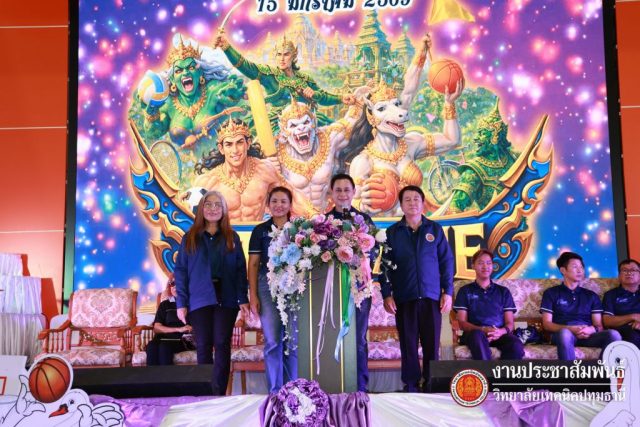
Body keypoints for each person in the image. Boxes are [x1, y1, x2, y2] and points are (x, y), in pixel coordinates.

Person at [174, 191, 250, 395]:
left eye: (218, 205)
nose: (213, 208)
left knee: (222, 343)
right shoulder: (190, 237)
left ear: (224, 210)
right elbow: (181, 270)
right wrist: (181, 303)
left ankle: (219, 393)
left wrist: (243, 298)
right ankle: (205, 393)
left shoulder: (231, 237)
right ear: (201, 208)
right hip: (199, 298)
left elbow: (240, 269)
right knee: (203, 345)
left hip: (227, 298)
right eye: (208, 204)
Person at [380, 185, 454, 392]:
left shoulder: (435, 230)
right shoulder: (392, 233)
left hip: (431, 297)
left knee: (432, 344)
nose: (412, 203)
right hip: (405, 297)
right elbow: (384, 267)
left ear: (423, 203)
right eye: (407, 199)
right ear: (401, 205)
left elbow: (447, 262)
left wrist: (448, 292)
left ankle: (432, 384)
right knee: (408, 344)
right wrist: (386, 295)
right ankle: (411, 385)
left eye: (416, 199)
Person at [213, 31, 354, 130]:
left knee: (337, 132)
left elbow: (323, 97)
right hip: (279, 122)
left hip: (308, 120)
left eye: (286, 54)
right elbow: (245, 66)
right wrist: (226, 47)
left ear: (294, 55)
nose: (281, 58)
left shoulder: (304, 78)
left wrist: (340, 98)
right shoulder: (270, 75)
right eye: (279, 54)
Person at [326, 173, 375, 392]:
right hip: (331, 289)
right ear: (331, 193)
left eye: (347, 190)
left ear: (354, 192)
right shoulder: (323, 222)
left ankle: (360, 387)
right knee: (331, 336)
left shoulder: (364, 221)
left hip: (360, 288)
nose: (343, 194)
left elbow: (374, 252)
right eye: (338, 190)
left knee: (359, 338)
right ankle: (331, 384)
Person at [247, 186, 298, 393]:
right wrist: (253, 295)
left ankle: (293, 390)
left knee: (294, 342)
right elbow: (253, 264)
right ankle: (275, 392)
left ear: (290, 205)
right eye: (274, 201)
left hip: (295, 287)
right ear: (268, 204)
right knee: (273, 340)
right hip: (266, 287)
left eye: (283, 201)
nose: (279, 205)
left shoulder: (299, 230)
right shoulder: (260, 231)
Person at [540, 252, 621, 360]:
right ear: (563, 270)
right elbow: (547, 324)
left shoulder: (591, 295)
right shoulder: (551, 293)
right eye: (575, 267)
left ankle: (601, 369)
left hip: (587, 335)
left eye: (581, 267)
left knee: (614, 335)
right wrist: (571, 329)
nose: (580, 270)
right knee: (565, 334)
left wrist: (591, 329)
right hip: (563, 335)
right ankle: (570, 371)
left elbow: (598, 325)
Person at [453, 249, 524, 360]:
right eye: (480, 263)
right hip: (475, 334)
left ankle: (504, 372)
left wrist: (501, 331)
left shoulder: (503, 291)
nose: (485, 266)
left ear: (492, 266)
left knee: (516, 346)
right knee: (477, 337)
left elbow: (510, 323)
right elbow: (462, 323)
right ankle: (486, 371)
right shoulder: (465, 291)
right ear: (473, 266)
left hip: (499, 333)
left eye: (488, 263)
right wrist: (483, 329)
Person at [145, 275, 193, 365]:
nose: (174, 287)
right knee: (151, 346)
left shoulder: (191, 304)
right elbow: (157, 328)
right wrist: (178, 329)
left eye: (178, 283)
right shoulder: (164, 304)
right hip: (162, 338)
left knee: (164, 347)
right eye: (172, 284)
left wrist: (187, 329)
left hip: (181, 340)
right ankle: (152, 375)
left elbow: (193, 326)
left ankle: (166, 375)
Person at [602, 259, 640, 348]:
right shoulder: (611, 295)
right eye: (625, 270)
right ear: (619, 276)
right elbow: (607, 321)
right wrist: (633, 316)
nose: (629, 273)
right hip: (625, 332)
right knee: (633, 336)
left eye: (633, 270)